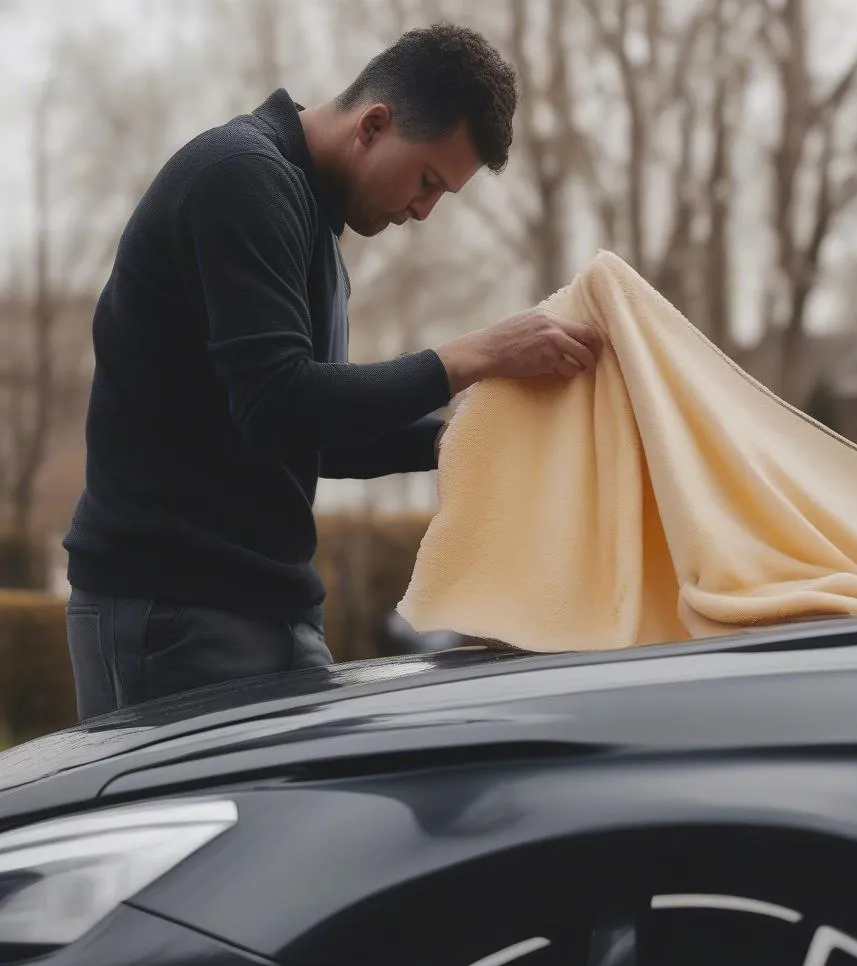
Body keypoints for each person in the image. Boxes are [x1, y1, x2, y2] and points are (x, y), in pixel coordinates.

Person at [63, 23, 602, 720]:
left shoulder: (309, 224)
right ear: (373, 124)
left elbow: (313, 428)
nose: (422, 210)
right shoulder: (240, 178)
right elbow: (276, 400)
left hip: (266, 611)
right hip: (173, 612)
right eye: (427, 180)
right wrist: (474, 356)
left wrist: (447, 440)